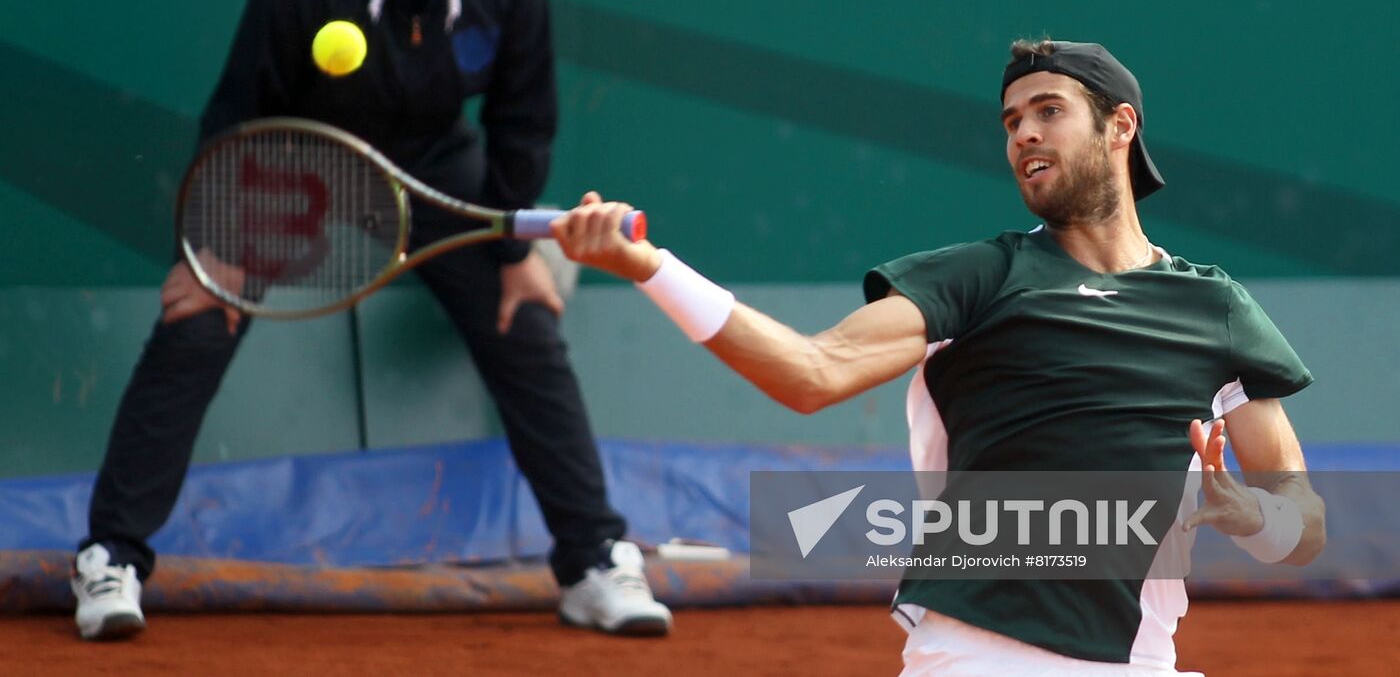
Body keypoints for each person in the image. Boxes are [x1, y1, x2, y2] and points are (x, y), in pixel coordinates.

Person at [70, 0, 670, 642]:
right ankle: (112, 555)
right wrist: (214, 252)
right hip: (298, 165)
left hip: (433, 167)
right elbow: (239, 116)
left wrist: (513, 255)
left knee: (526, 319)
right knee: (199, 317)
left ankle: (594, 560)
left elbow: (521, 125)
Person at [551, 39, 1326, 675]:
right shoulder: (979, 277)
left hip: (1142, 660)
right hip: (979, 654)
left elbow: (1305, 527)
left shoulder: (1215, 307)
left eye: (1049, 111)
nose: (1024, 133)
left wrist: (1247, 512)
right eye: (1012, 119)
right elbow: (809, 373)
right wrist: (653, 267)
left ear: (1120, 126)